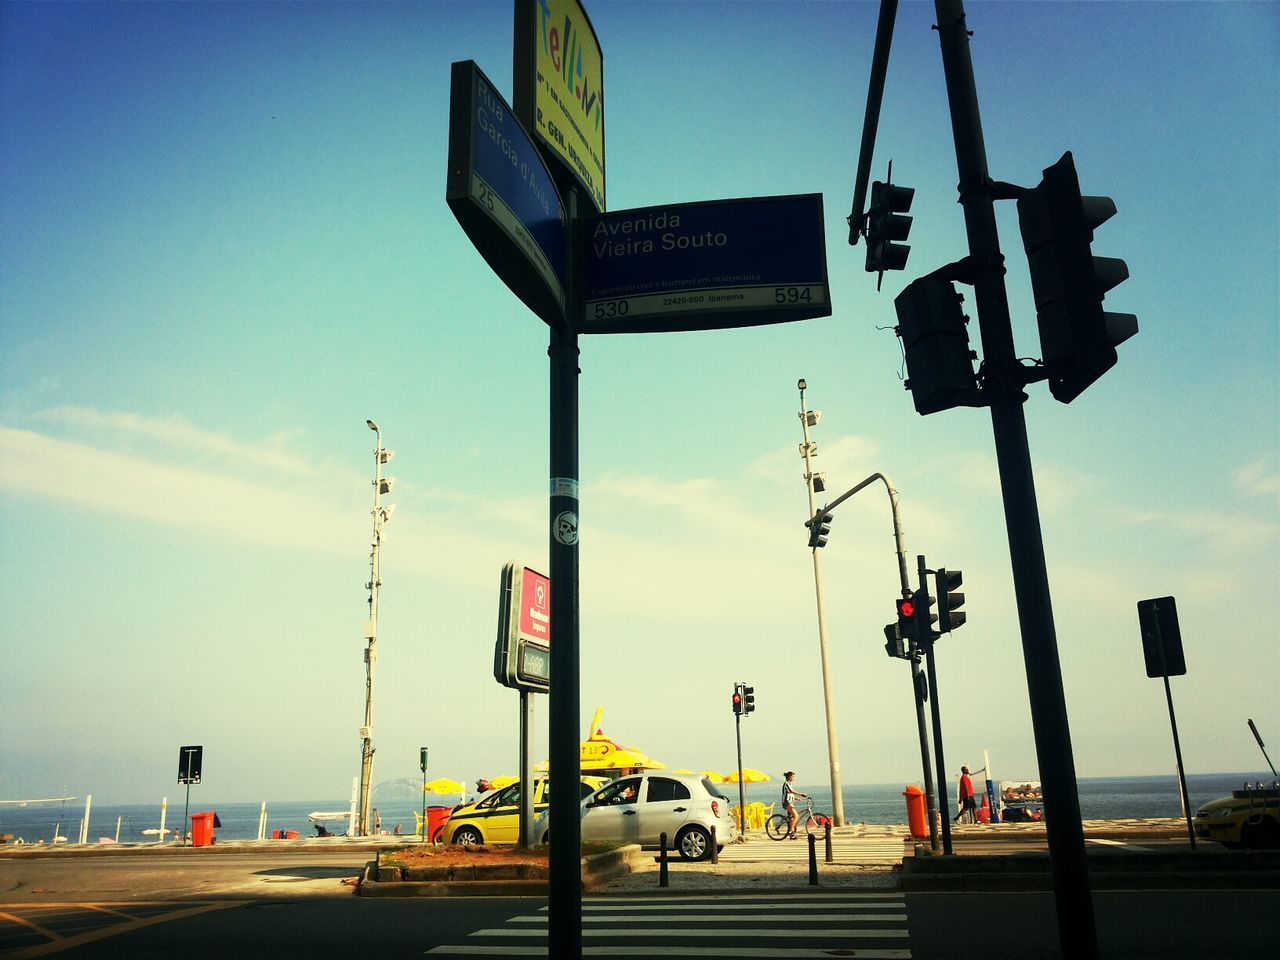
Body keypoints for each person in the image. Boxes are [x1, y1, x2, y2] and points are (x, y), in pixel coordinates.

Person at [781, 771, 809, 839]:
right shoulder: (786, 784)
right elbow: (791, 791)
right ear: (789, 777)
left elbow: (789, 794)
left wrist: (796, 798)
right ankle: (790, 831)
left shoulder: (790, 784)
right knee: (796, 816)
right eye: (793, 776)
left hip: (790, 802)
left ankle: (792, 835)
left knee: (791, 818)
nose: (794, 778)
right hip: (787, 803)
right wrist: (801, 794)